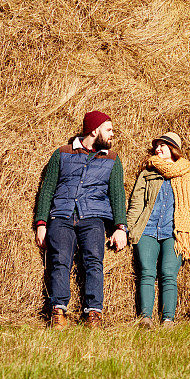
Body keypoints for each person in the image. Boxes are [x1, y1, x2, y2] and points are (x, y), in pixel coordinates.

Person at [34, 110, 128, 329]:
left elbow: (117, 195)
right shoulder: (62, 153)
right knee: (59, 261)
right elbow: (47, 189)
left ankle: (93, 313)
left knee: (94, 262)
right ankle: (58, 311)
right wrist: (41, 223)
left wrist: (121, 227)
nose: (112, 134)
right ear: (95, 131)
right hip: (62, 215)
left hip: (93, 217)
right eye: (109, 129)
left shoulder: (112, 159)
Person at [126, 132, 190, 328]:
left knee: (168, 273)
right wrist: (125, 229)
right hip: (148, 229)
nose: (157, 149)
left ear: (173, 149)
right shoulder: (147, 174)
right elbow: (136, 205)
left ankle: (168, 320)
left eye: (163, 146)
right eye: (157, 146)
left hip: (176, 231)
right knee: (146, 272)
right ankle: (145, 318)